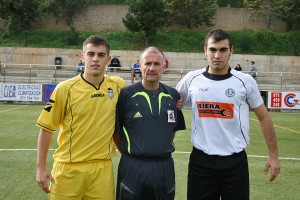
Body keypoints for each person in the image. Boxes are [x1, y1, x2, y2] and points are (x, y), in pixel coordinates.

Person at [176, 29, 280, 200]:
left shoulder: (245, 82)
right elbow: (171, 102)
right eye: (212, 49)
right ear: (205, 50)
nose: (217, 55)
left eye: (223, 50)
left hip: (235, 163)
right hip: (201, 162)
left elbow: (264, 117)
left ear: (231, 51)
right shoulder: (191, 79)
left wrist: (274, 156)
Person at [35, 35, 126, 200]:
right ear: (82, 57)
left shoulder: (117, 85)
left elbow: (141, 93)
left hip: (102, 169)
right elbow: (46, 129)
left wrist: (174, 99)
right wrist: (41, 167)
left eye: (101, 55)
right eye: (91, 54)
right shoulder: (65, 89)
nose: (95, 59)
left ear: (108, 59)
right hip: (68, 169)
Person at [113, 47, 186, 200]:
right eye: (147, 63)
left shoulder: (173, 95)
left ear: (164, 67)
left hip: (164, 167)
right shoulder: (126, 94)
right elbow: (116, 132)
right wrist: (131, 155)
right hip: (132, 166)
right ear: (140, 66)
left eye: (157, 64)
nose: (152, 68)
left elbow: (171, 131)